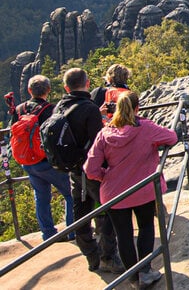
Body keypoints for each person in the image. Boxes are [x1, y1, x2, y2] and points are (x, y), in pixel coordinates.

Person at [84, 91, 177, 289]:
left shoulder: (104, 133)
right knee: (145, 227)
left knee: (123, 235)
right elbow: (172, 137)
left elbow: (90, 169)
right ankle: (145, 271)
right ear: (137, 108)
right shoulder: (146, 129)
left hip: (114, 195)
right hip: (143, 190)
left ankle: (134, 279)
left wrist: (106, 176)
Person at [57, 67, 122, 273]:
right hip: (93, 170)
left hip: (73, 169)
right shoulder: (89, 108)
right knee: (108, 213)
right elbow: (98, 142)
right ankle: (108, 257)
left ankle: (91, 258)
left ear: (66, 87)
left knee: (81, 212)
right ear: (87, 84)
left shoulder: (58, 106)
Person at [11, 75, 75, 241]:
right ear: (48, 90)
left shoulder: (19, 109)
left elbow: (13, 132)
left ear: (29, 90)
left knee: (41, 197)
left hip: (27, 162)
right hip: (47, 161)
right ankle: (73, 231)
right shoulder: (50, 110)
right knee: (70, 194)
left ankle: (48, 234)